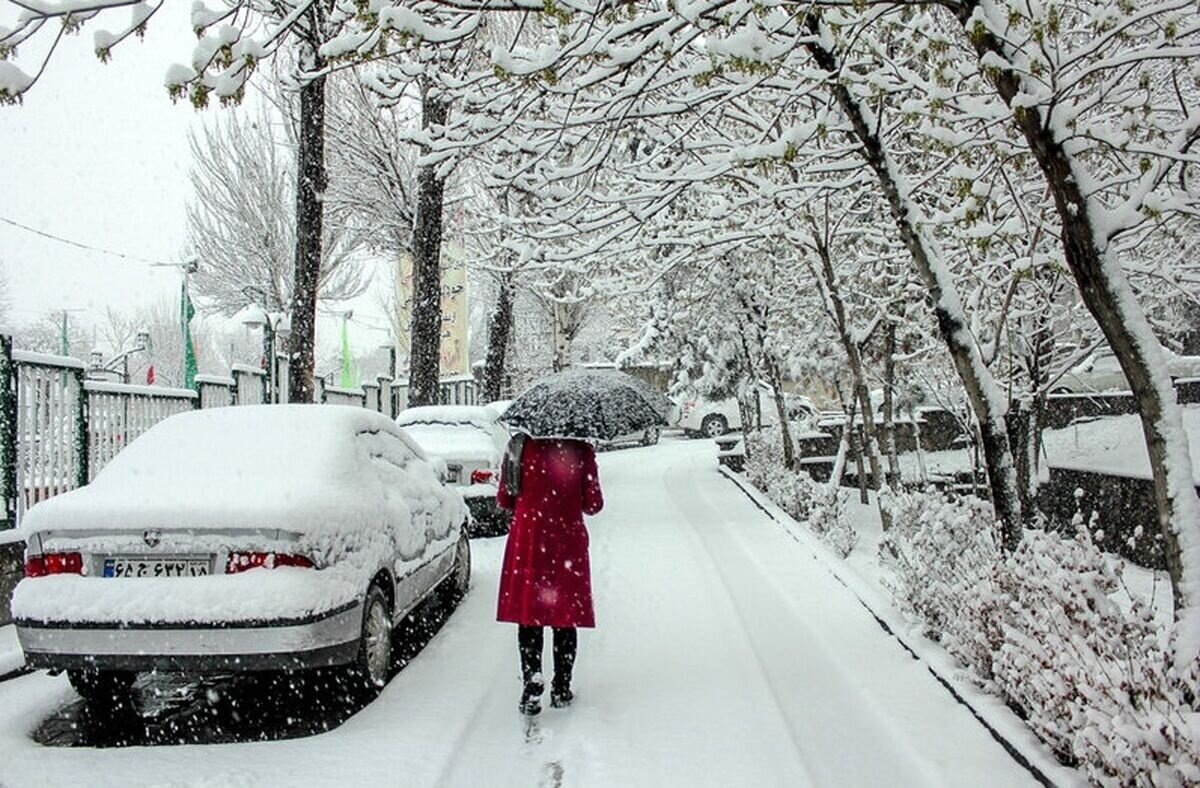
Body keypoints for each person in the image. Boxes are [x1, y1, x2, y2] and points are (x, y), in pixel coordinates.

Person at [496, 433, 604, 716]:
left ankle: (532, 682)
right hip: (566, 541)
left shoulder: (519, 446)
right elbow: (594, 504)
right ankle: (561, 687)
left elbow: (505, 498)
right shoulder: (581, 450)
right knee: (564, 614)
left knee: (530, 614)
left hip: (529, 540)